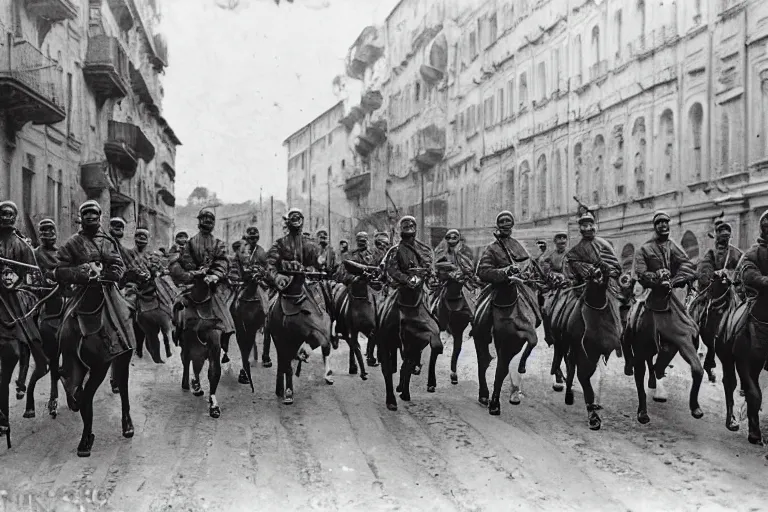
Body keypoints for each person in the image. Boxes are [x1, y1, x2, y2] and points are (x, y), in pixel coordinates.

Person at [54, 200, 134, 411]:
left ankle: (124, 351)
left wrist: (110, 274)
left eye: (94, 214)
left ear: (100, 217)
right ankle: (67, 365)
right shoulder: (72, 242)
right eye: (86, 214)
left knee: (125, 316)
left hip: (107, 292)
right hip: (81, 292)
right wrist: (80, 273)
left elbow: (119, 265)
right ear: (81, 217)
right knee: (64, 325)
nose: (90, 217)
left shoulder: (107, 241)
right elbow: (59, 269)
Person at [629, 210, 699, 400]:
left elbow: (686, 264)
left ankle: (692, 348)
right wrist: (656, 277)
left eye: (666, 223)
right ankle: (628, 353)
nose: (663, 226)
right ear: (655, 226)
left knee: (688, 324)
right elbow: (641, 272)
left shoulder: (672, 246)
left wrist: (676, 279)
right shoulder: (644, 249)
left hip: (669, 296)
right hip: (649, 294)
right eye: (659, 223)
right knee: (632, 320)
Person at [169, 207, 236, 336]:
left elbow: (223, 261)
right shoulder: (189, 244)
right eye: (204, 219)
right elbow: (183, 261)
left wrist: (215, 275)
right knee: (178, 303)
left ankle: (225, 340)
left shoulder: (218, 244)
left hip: (213, 285)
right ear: (199, 222)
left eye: (210, 219)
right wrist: (192, 273)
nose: (207, 222)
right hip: (193, 283)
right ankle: (177, 331)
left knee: (224, 312)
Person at [734, 210, 768, 444]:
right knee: (736, 323)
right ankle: (754, 423)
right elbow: (747, 274)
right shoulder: (753, 252)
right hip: (759, 309)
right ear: (762, 229)